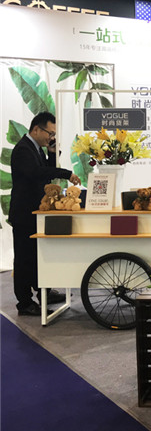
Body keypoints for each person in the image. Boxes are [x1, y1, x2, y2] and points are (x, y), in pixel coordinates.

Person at [9, 112, 81, 316]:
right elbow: (35, 173)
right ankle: (24, 302)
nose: (51, 137)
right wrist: (66, 173)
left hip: (37, 211)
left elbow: (45, 173)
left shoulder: (35, 148)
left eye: (53, 134)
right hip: (24, 213)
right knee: (24, 258)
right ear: (36, 129)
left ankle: (44, 292)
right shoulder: (23, 150)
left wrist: (51, 153)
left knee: (38, 255)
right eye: (50, 133)